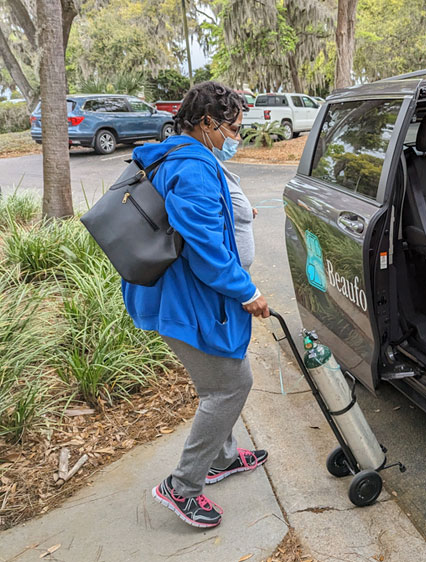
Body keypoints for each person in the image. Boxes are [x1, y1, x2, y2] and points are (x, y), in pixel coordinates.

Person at [121, 81, 270, 529]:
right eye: (233, 127)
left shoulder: (177, 152)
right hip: (184, 298)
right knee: (229, 385)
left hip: (178, 292)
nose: (236, 137)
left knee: (220, 380)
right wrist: (247, 291)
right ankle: (182, 487)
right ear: (207, 123)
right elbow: (205, 249)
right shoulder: (195, 169)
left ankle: (221, 459)